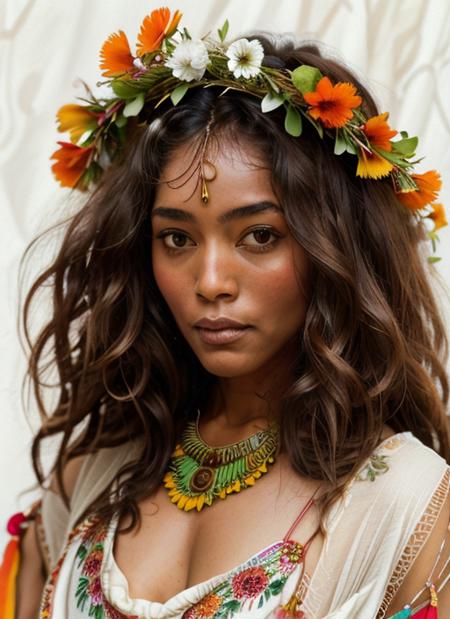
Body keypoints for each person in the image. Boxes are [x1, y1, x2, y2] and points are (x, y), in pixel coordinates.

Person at [1, 6, 449, 619]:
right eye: (177, 239)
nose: (209, 282)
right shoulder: (93, 474)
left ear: (337, 247)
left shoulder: (403, 502)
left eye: (259, 236)